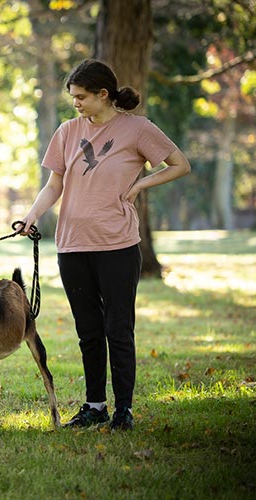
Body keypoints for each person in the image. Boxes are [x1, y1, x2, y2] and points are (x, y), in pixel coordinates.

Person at [17, 59, 191, 431]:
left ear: (103, 94)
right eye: (72, 97)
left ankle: (123, 409)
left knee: (118, 328)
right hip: (72, 245)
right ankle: (94, 405)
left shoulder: (138, 129)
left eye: (81, 97)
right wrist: (32, 215)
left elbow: (179, 164)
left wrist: (142, 184)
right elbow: (54, 184)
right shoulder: (67, 132)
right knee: (88, 331)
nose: (76, 103)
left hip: (117, 244)